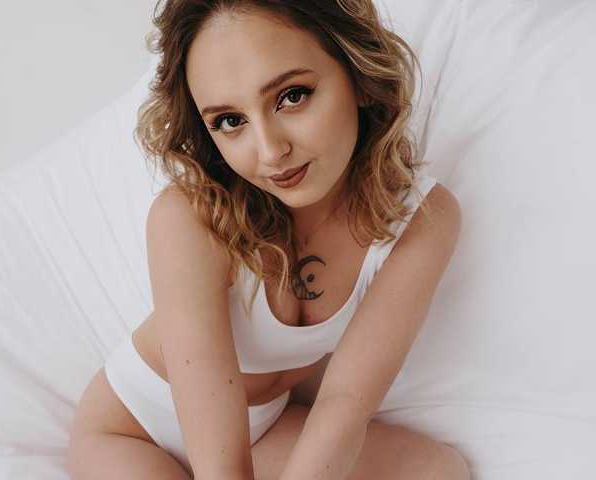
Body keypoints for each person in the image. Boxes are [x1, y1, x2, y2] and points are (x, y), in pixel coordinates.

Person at [67, 1, 467, 479]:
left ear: (358, 75)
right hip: (132, 431)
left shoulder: (422, 218)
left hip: (264, 427)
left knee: (437, 470)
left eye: (292, 96)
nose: (271, 151)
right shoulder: (191, 217)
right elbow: (217, 455)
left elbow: (344, 402)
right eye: (230, 121)